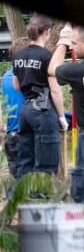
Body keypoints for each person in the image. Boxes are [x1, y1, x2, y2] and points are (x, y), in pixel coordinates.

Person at [49, 24, 84, 207]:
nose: (72, 47)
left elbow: (52, 68)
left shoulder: (78, 71)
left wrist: (62, 40)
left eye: (74, 43)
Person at [13, 15, 67, 177]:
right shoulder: (47, 56)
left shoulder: (18, 55)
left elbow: (17, 86)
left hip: (26, 110)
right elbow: (55, 90)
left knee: (26, 160)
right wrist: (62, 116)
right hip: (43, 110)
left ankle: (24, 198)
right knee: (46, 160)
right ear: (48, 32)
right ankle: (40, 199)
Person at [2, 37, 30, 182]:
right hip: (26, 136)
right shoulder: (26, 77)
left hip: (11, 136)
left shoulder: (6, 76)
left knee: (15, 183)